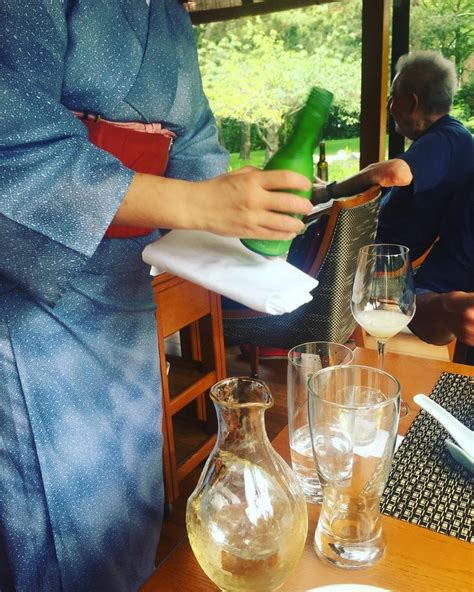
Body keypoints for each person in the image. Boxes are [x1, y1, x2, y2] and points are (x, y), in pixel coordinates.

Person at [0, 3, 312, 591]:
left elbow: (195, 154)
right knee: (57, 513)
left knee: (131, 497)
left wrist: (249, 206)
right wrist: (196, 204)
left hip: (128, 284)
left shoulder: (168, 12)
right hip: (34, 292)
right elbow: (12, 145)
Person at [312, 50, 473, 348]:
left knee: (294, 233)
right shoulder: (443, 139)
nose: (389, 106)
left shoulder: (448, 139)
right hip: (372, 252)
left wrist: (328, 192)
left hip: (376, 261)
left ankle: (281, 325)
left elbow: (393, 173)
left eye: (392, 97)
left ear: (411, 102)